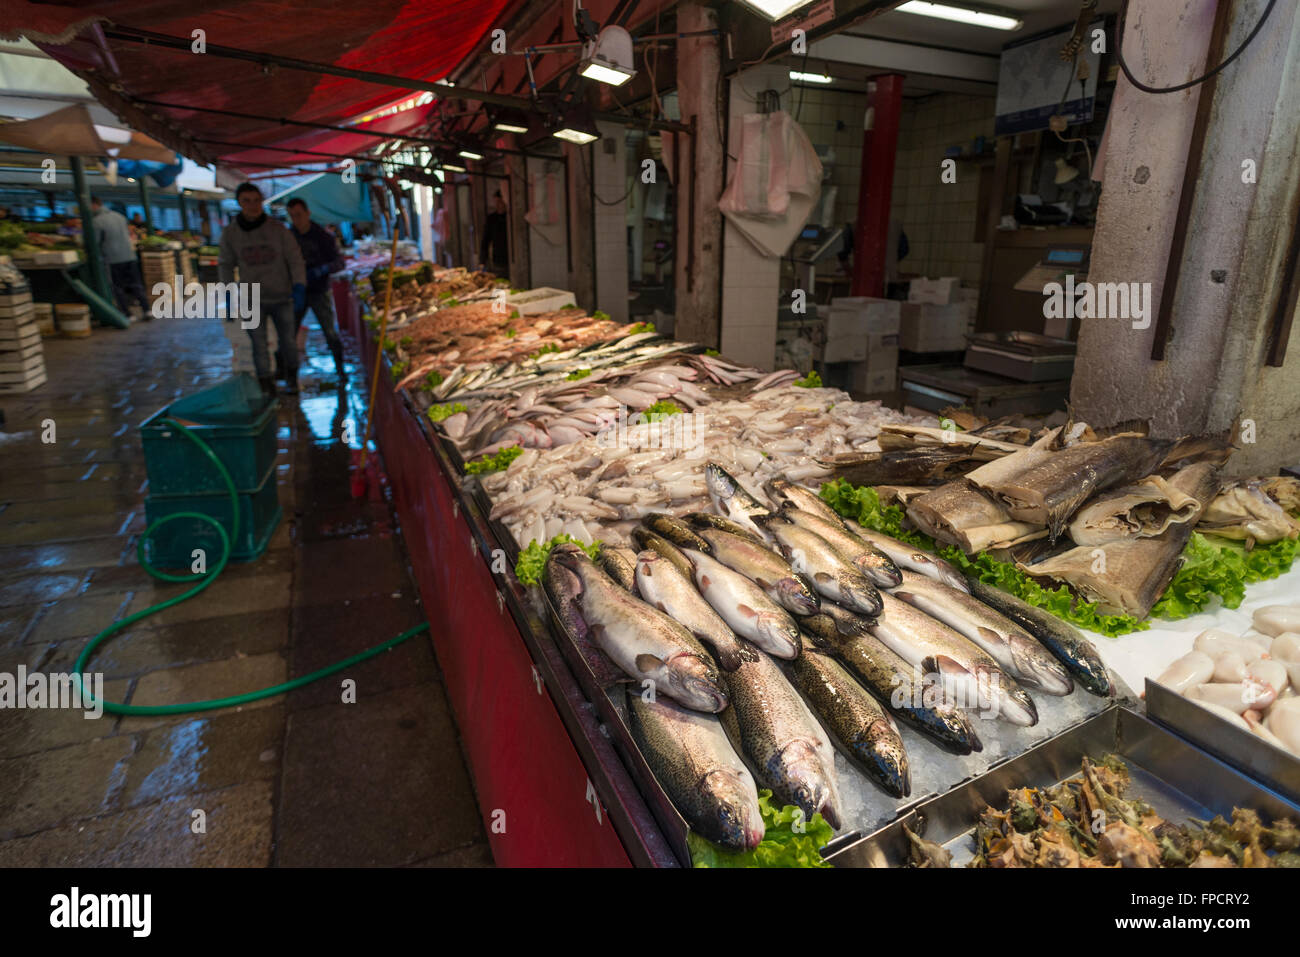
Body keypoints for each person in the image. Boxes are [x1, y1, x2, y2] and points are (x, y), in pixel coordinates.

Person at [219, 182, 306, 397]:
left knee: (288, 342)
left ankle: (292, 379)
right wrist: (229, 294)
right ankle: (267, 386)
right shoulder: (230, 234)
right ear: (239, 203)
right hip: (252, 298)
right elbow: (225, 264)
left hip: (282, 295)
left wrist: (299, 284)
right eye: (246, 201)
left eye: (257, 200)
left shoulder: (278, 230)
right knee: (258, 344)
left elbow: (295, 259)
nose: (252, 206)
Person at [286, 197, 346, 383]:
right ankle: (290, 376)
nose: (297, 219)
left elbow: (339, 262)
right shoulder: (288, 238)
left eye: (299, 214)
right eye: (292, 216)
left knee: (330, 332)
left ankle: (341, 371)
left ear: (308, 213)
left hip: (319, 291)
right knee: (289, 334)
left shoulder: (323, 236)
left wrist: (323, 269)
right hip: (297, 292)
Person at [91, 196, 149, 320]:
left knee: (118, 287)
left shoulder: (97, 221)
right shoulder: (120, 217)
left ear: (94, 205)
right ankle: (147, 310)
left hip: (113, 258)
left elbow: (94, 242)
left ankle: (128, 314)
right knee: (136, 284)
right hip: (129, 255)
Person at [480, 191, 509, 279]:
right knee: (500, 285)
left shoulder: (509, 217)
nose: (498, 204)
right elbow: (485, 240)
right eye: (496, 202)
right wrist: (482, 261)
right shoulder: (491, 219)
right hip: (498, 259)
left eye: (500, 202)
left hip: (511, 258)